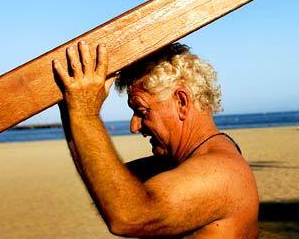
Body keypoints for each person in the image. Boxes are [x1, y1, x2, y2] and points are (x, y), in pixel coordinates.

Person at [53, 40, 259, 238]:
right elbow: (105, 189)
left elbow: (128, 217)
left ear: (181, 102)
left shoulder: (221, 171)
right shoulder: (181, 162)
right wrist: (72, 112)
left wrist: (85, 113)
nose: (134, 126)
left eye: (141, 111)